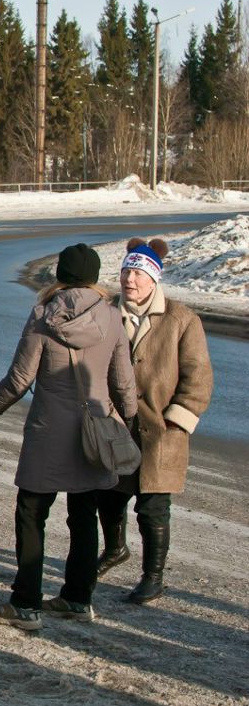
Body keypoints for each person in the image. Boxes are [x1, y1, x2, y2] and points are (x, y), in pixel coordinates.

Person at [0, 244, 137, 631]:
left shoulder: (43, 316)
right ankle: (78, 599)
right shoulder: (112, 317)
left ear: (60, 275)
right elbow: (123, 383)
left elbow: (19, 379)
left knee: (32, 513)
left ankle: (26, 604)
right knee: (83, 515)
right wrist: (127, 420)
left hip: (48, 432)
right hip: (94, 431)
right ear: (94, 277)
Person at [95, 239, 212, 604]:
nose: (129, 279)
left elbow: (198, 377)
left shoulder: (182, 319)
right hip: (115, 424)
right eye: (126, 272)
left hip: (161, 430)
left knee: (153, 507)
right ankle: (115, 550)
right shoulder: (106, 313)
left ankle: (153, 577)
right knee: (108, 497)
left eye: (137, 273)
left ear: (153, 279)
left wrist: (176, 421)